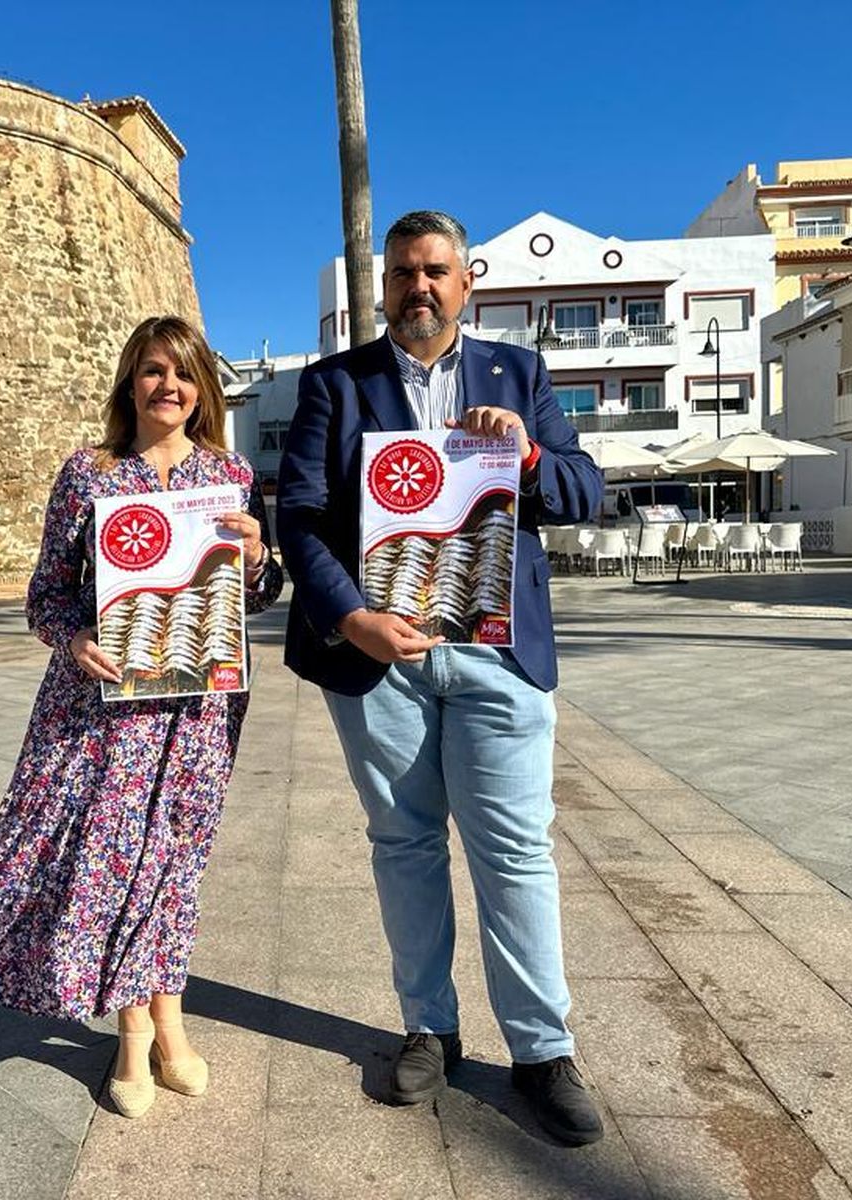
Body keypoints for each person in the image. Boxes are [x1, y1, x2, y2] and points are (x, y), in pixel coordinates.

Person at [276, 211, 605, 1145]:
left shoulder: (520, 374)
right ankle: (430, 1026)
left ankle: (542, 1051)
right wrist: (353, 619)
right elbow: (300, 517)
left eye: (433, 271)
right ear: (382, 287)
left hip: (498, 652)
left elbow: (586, 491)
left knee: (515, 852)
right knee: (404, 844)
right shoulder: (335, 384)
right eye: (401, 273)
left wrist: (529, 455)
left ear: (467, 282)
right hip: (381, 656)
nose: (417, 287)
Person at [0, 315, 283, 1119]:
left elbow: (260, 595)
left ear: (204, 388)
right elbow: (46, 595)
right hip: (103, 707)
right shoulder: (89, 474)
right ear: (130, 382)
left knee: (175, 859)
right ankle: (134, 1033)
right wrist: (74, 638)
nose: (169, 386)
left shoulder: (229, 475)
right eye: (154, 370)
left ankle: (170, 1018)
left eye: (184, 373)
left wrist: (259, 557)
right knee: (112, 859)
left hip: (198, 706)